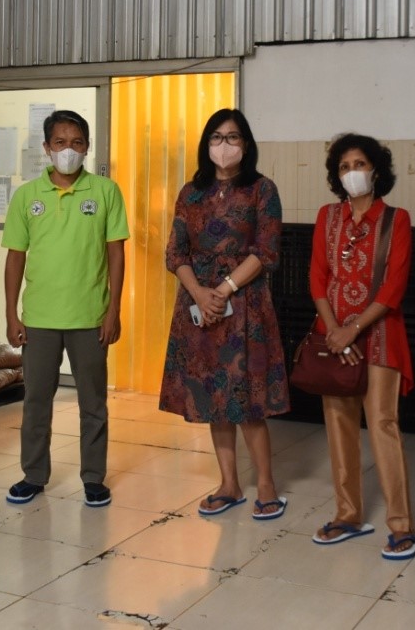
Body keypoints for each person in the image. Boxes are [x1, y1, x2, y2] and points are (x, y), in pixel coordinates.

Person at [159, 108, 290, 520]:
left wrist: (224, 288)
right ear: (206, 145)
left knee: (246, 399)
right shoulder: (191, 192)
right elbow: (175, 253)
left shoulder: (262, 190)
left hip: (245, 306)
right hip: (200, 307)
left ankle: (266, 485)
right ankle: (229, 484)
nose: (224, 145)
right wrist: (200, 293)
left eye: (232, 137)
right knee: (215, 398)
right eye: (216, 137)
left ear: (245, 144)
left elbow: (266, 251)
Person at [2, 109, 128, 507]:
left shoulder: (105, 192)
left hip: (90, 317)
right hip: (39, 319)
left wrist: (113, 311)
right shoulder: (27, 196)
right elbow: (15, 257)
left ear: (87, 147)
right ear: (46, 147)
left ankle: (93, 478)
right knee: (36, 402)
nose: (68, 150)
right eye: (60, 142)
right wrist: (11, 314)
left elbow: (116, 253)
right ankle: (33, 475)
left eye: (76, 143)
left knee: (93, 404)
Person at [308, 133, 415, 559]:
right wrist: (334, 331)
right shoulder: (327, 217)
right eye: (344, 167)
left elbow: (394, 287)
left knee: (382, 423)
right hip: (334, 335)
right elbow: (317, 278)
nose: (352, 173)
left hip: (380, 336)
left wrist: (352, 330)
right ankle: (347, 515)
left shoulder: (396, 220)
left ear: (376, 169)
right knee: (338, 423)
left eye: (359, 164)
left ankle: (401, 524)